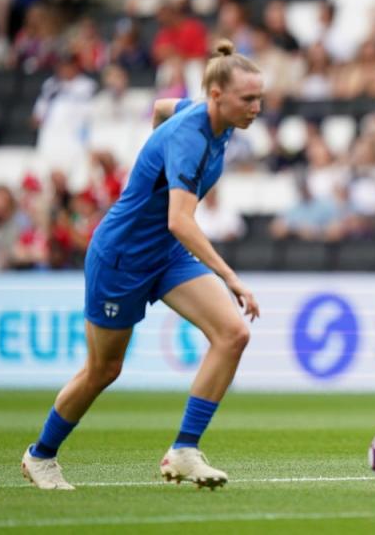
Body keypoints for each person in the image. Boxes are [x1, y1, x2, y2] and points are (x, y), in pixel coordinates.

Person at [20, 40, 263, 491]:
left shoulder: (215, 118)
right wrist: (231, 278)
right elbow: (180, 221)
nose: (257, 107)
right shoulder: (191, 139)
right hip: (122, 256)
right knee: (103, 370)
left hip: (164, 255)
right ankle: (41, 455)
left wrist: (150, 164)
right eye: (248, 99)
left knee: (233, 334)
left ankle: (184, 451)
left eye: (259, 98)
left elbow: (161, 106)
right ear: (217, 96)